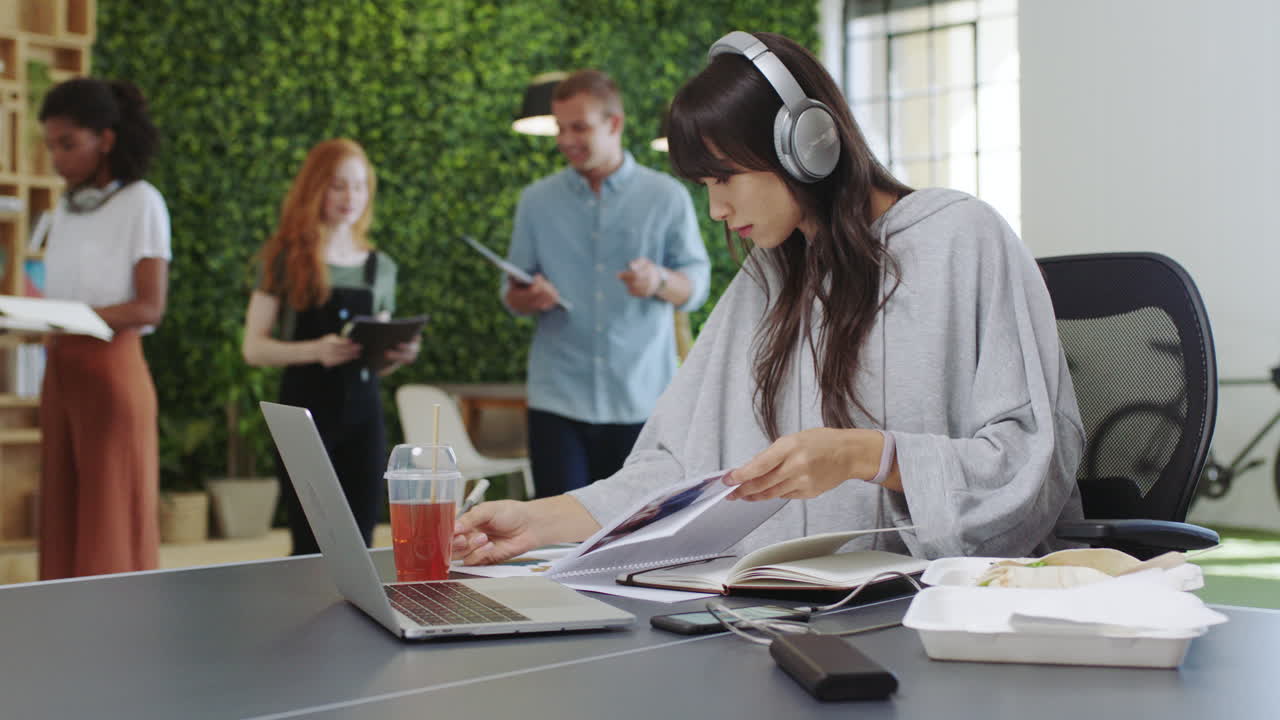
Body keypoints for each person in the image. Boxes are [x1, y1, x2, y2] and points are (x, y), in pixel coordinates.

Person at [454, 31, 1083, 565]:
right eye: (703, 184)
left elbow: (1031, 460)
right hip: (783, 613)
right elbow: (684, 465)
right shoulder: (771, 275)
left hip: (931, 617)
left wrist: (871, 455)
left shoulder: (959, 238)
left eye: (724, 178)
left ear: (807, 145)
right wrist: (541, 523)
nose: (717, 209)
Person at [503, 69, 711, 498]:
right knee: (556, 545)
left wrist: (657, 281)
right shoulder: (535, 201)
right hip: (557, 401)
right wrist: (529, 297)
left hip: (643, 402)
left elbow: (697, 286)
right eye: (560, 127)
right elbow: (510, 296)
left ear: (614, 124)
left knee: (637, 537)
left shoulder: (666, 196)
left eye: (579, 127)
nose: (565, 139)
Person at [242, 138, 419, 555]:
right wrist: (315, 350)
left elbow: (376, 363)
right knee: (309, 542)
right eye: (338, 185)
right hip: (304, 413)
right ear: (315, 187)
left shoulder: (380, 267)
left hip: (364, 415)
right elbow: (254, 348)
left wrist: (396, 355)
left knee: (359, 541)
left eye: (358, 186)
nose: (349, 197)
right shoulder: (285, 257)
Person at [36, 78, 169, 579]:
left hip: (111, 373)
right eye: (50, 145)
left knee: (112, 515)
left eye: (67, 144)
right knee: (62, 508)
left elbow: (149, 306)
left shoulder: (142, 203)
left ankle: (117, 637)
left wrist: (78, 318)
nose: (56, 158)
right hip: (62, 371)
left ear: (106, 140)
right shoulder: (65, 210)